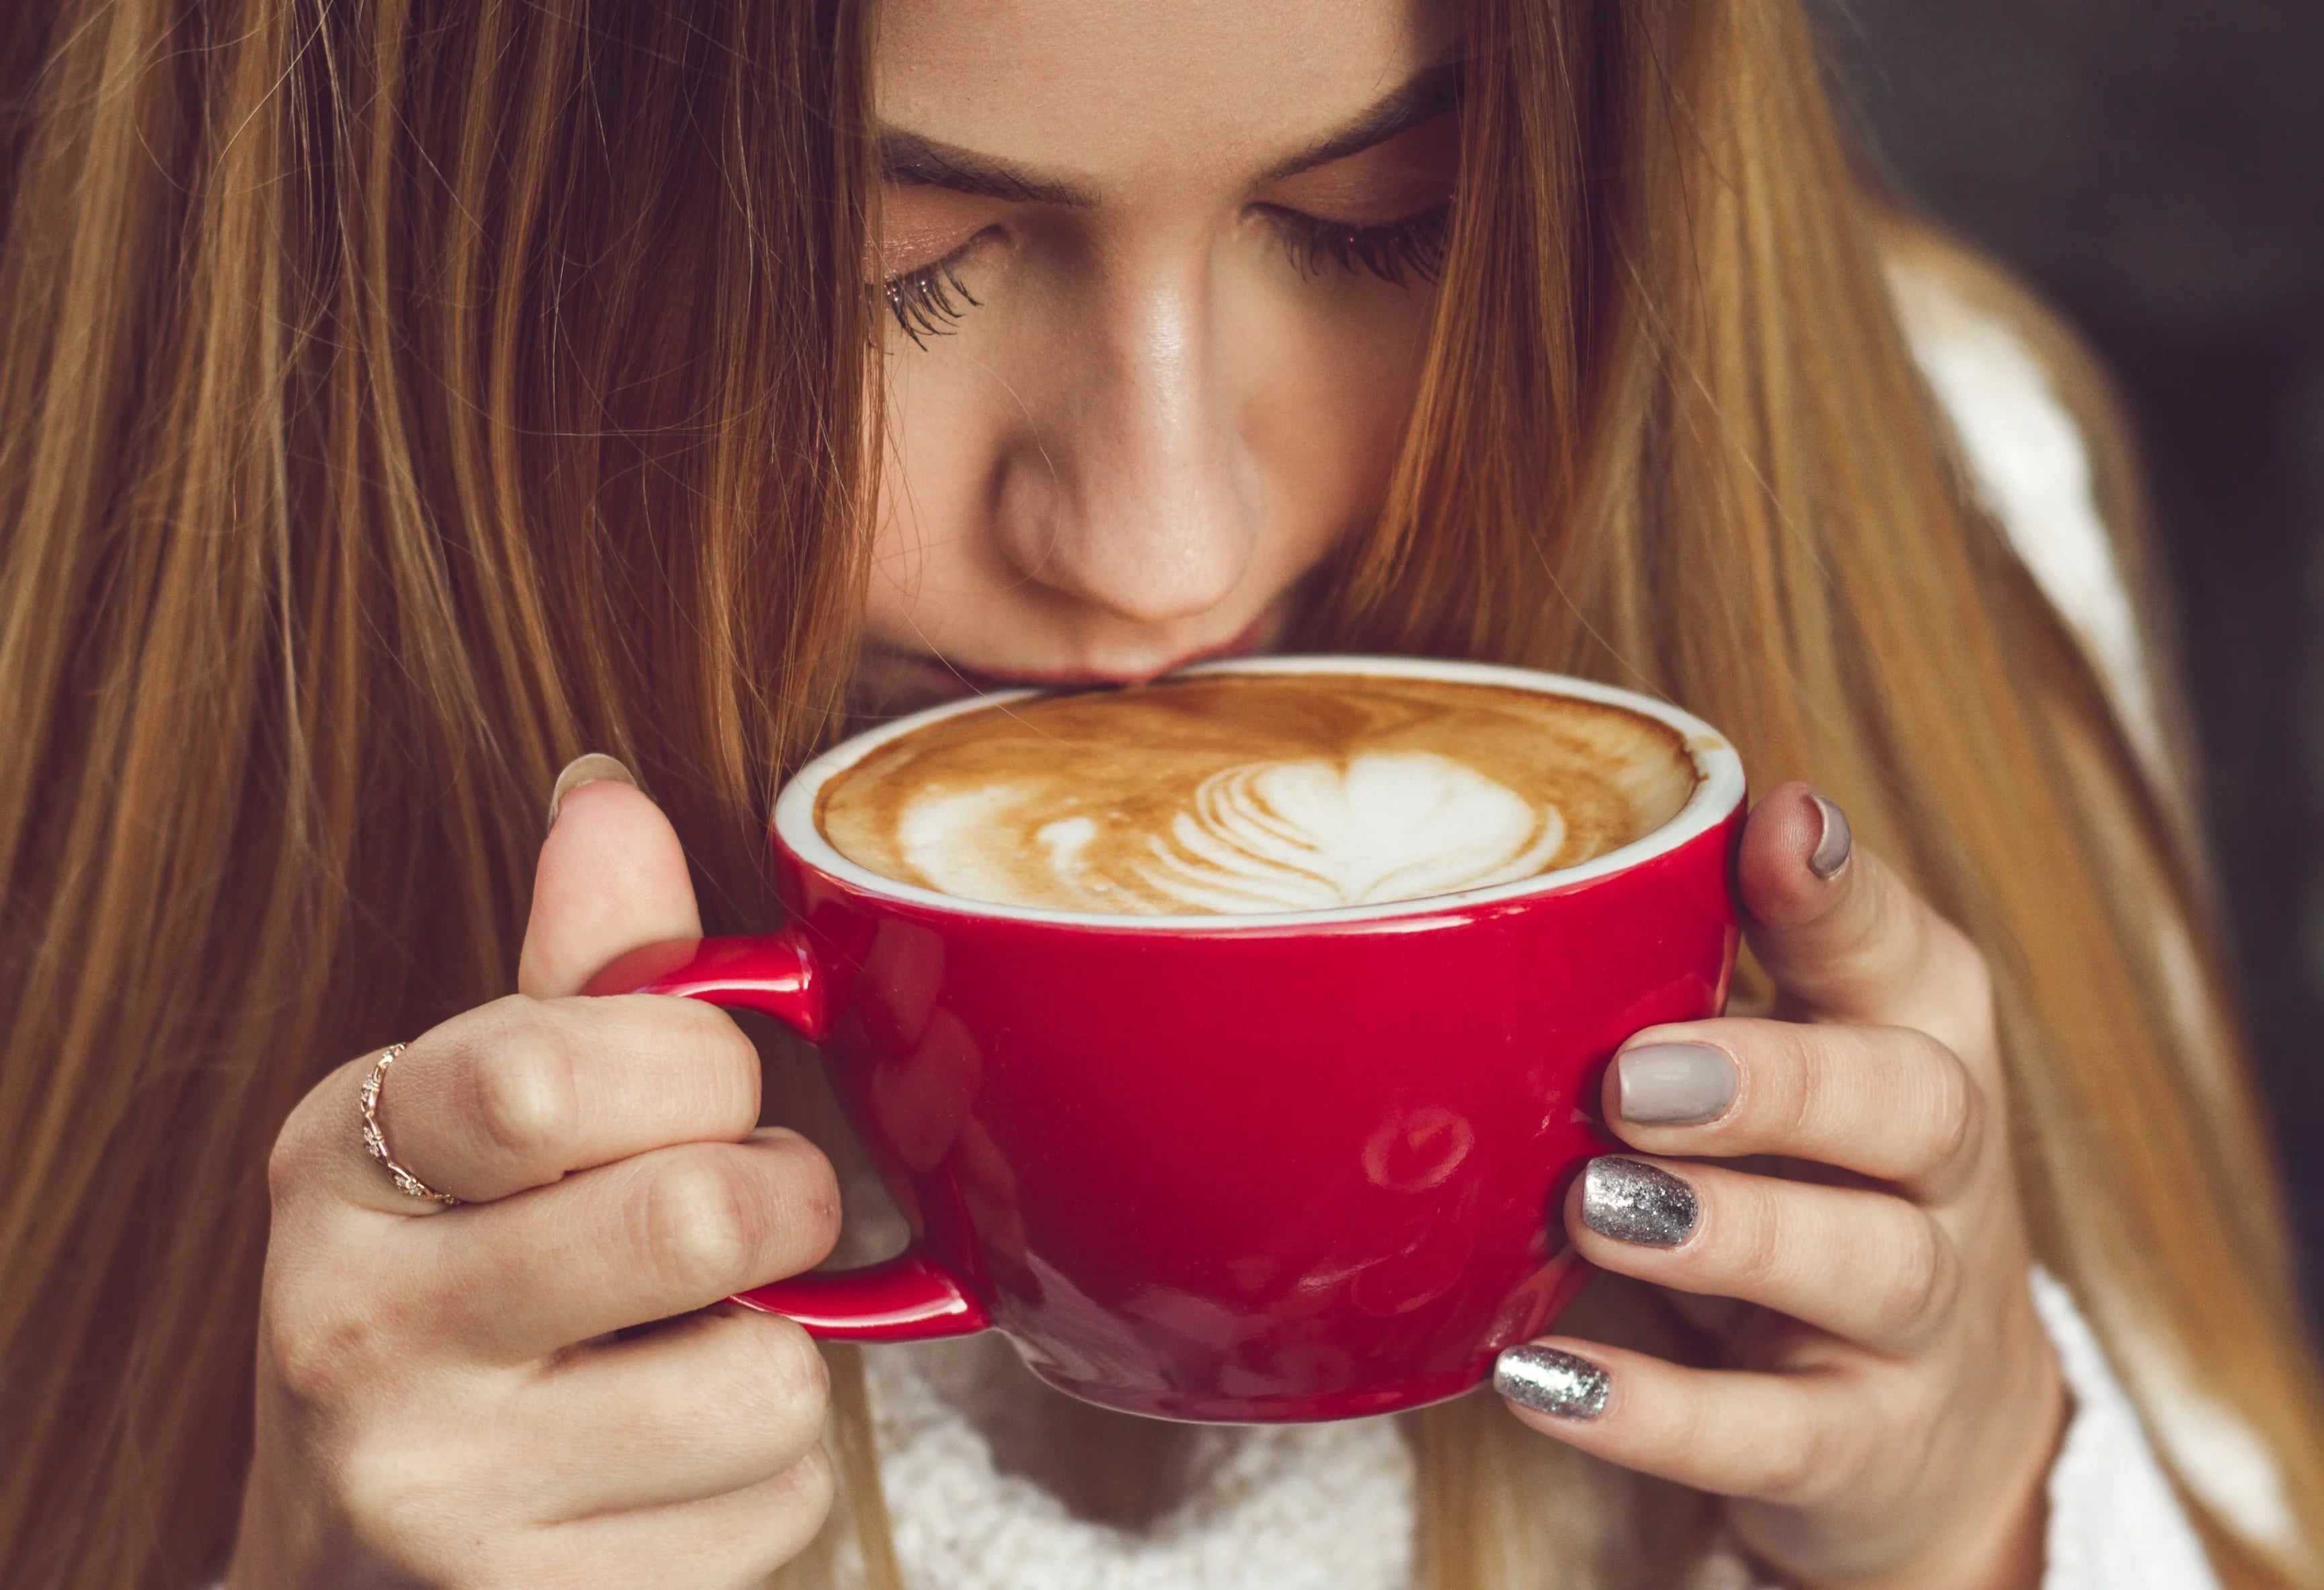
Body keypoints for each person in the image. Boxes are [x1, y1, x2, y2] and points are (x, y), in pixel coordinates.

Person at [1, 1, 2319, 1586]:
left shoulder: (1938, 492)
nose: (1164, 543)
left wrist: (1977, 1510)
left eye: (1377, 216)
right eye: (883, 266)